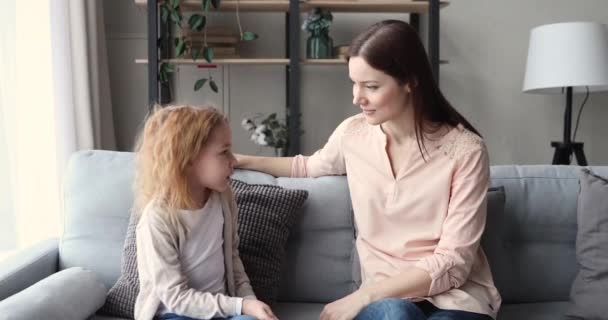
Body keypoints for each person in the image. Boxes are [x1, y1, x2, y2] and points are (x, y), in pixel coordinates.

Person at [236, 20, 501, 320]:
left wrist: (362, 296)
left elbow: (454, 261)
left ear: (410, 81)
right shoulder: (353, 134)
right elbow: (308, 165)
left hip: (455, 300)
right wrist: (241, 160)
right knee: (395, 315)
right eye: (354, 83)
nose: (356, 98)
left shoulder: (466, 150)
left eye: (371, 86)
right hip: (388, 305)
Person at [132, 105, 279, 320]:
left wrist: (251, 303)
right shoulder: (157, 219)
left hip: (222, 311)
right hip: (174, 314)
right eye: (223, 152)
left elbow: (232, 258)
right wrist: (240, 306)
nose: (235, 160)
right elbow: (175, 297)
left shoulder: (223, 198)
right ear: (188, 158)